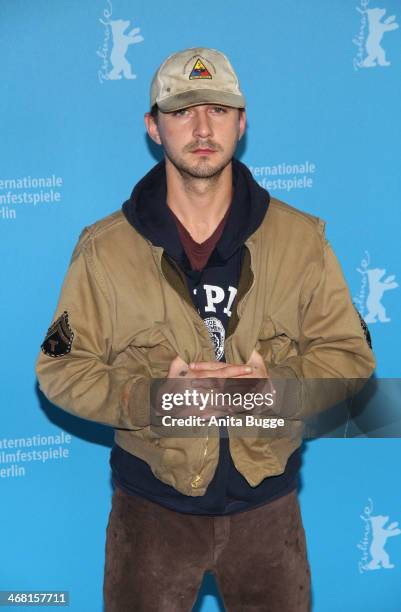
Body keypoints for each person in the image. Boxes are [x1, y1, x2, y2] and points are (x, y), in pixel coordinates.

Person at [36, 47, 375, 611]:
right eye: (181, 111)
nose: (200, 127)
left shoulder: (302, 241)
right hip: (151, 516)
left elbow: (351, 357)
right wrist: (153, 400)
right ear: (153, 126)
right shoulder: (104, 249)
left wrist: (278, 392)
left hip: (268, 517)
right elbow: (59, 367)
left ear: (242, 124)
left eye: (218, 110)